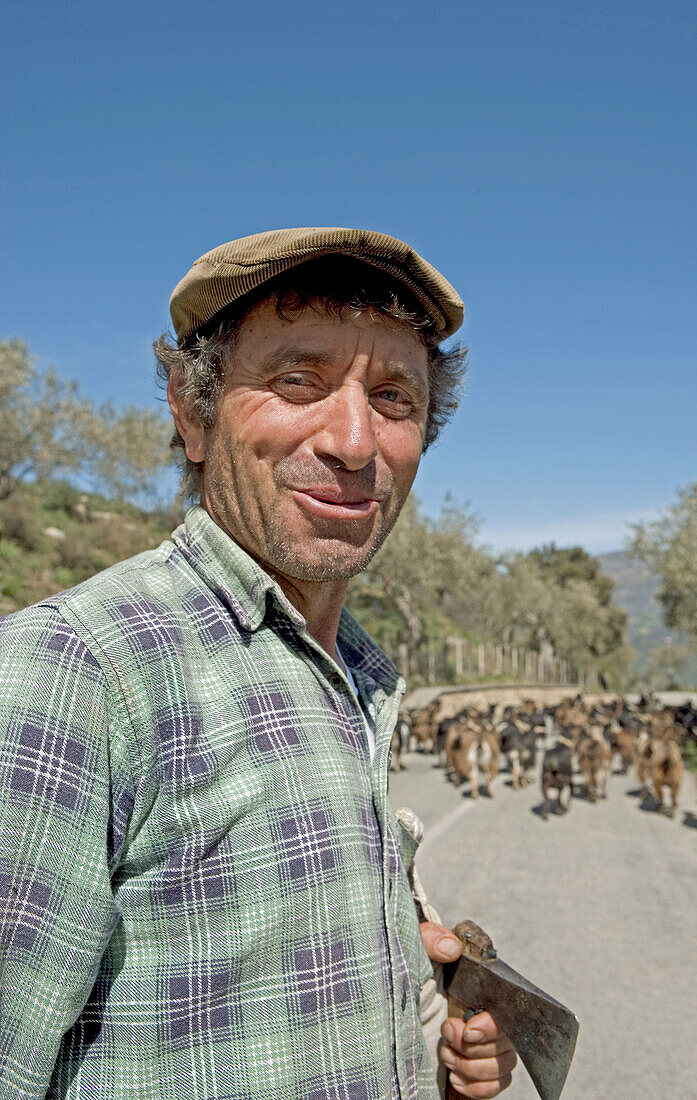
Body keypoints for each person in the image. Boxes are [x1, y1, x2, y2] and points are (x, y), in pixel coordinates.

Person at [0, 228, 516, 1099]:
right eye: (296, 382)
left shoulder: (352, 672)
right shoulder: (77, 671)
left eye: (394, 398)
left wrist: (428, 1045)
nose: (354, 442)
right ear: (192, 413)